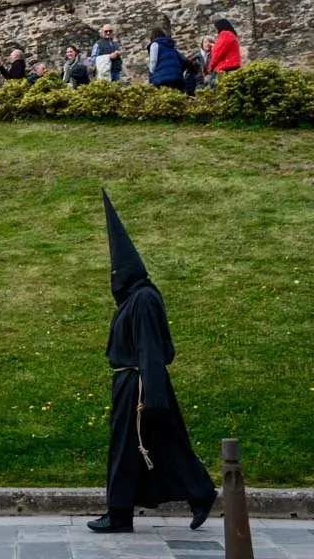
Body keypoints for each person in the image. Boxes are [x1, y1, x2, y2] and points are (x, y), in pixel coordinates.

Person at [87, 192, 217, 534]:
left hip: (139, 386)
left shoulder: (142, 299)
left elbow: (149, 349)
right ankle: (199, 493)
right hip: (137, 383)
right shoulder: (138, 298)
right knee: (161, 443)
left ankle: (119, 514)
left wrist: (152, 396)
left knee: (128, 448)